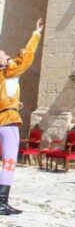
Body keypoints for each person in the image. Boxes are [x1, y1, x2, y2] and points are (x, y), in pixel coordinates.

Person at [0, 18, 43, 215]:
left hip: (5, 115)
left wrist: (15, 103)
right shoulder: (8, 72)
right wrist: (36, 35)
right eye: (4, 55)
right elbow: (25, 59)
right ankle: (1, 202)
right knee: (9, 160)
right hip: (7, 121)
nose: (8, 56)